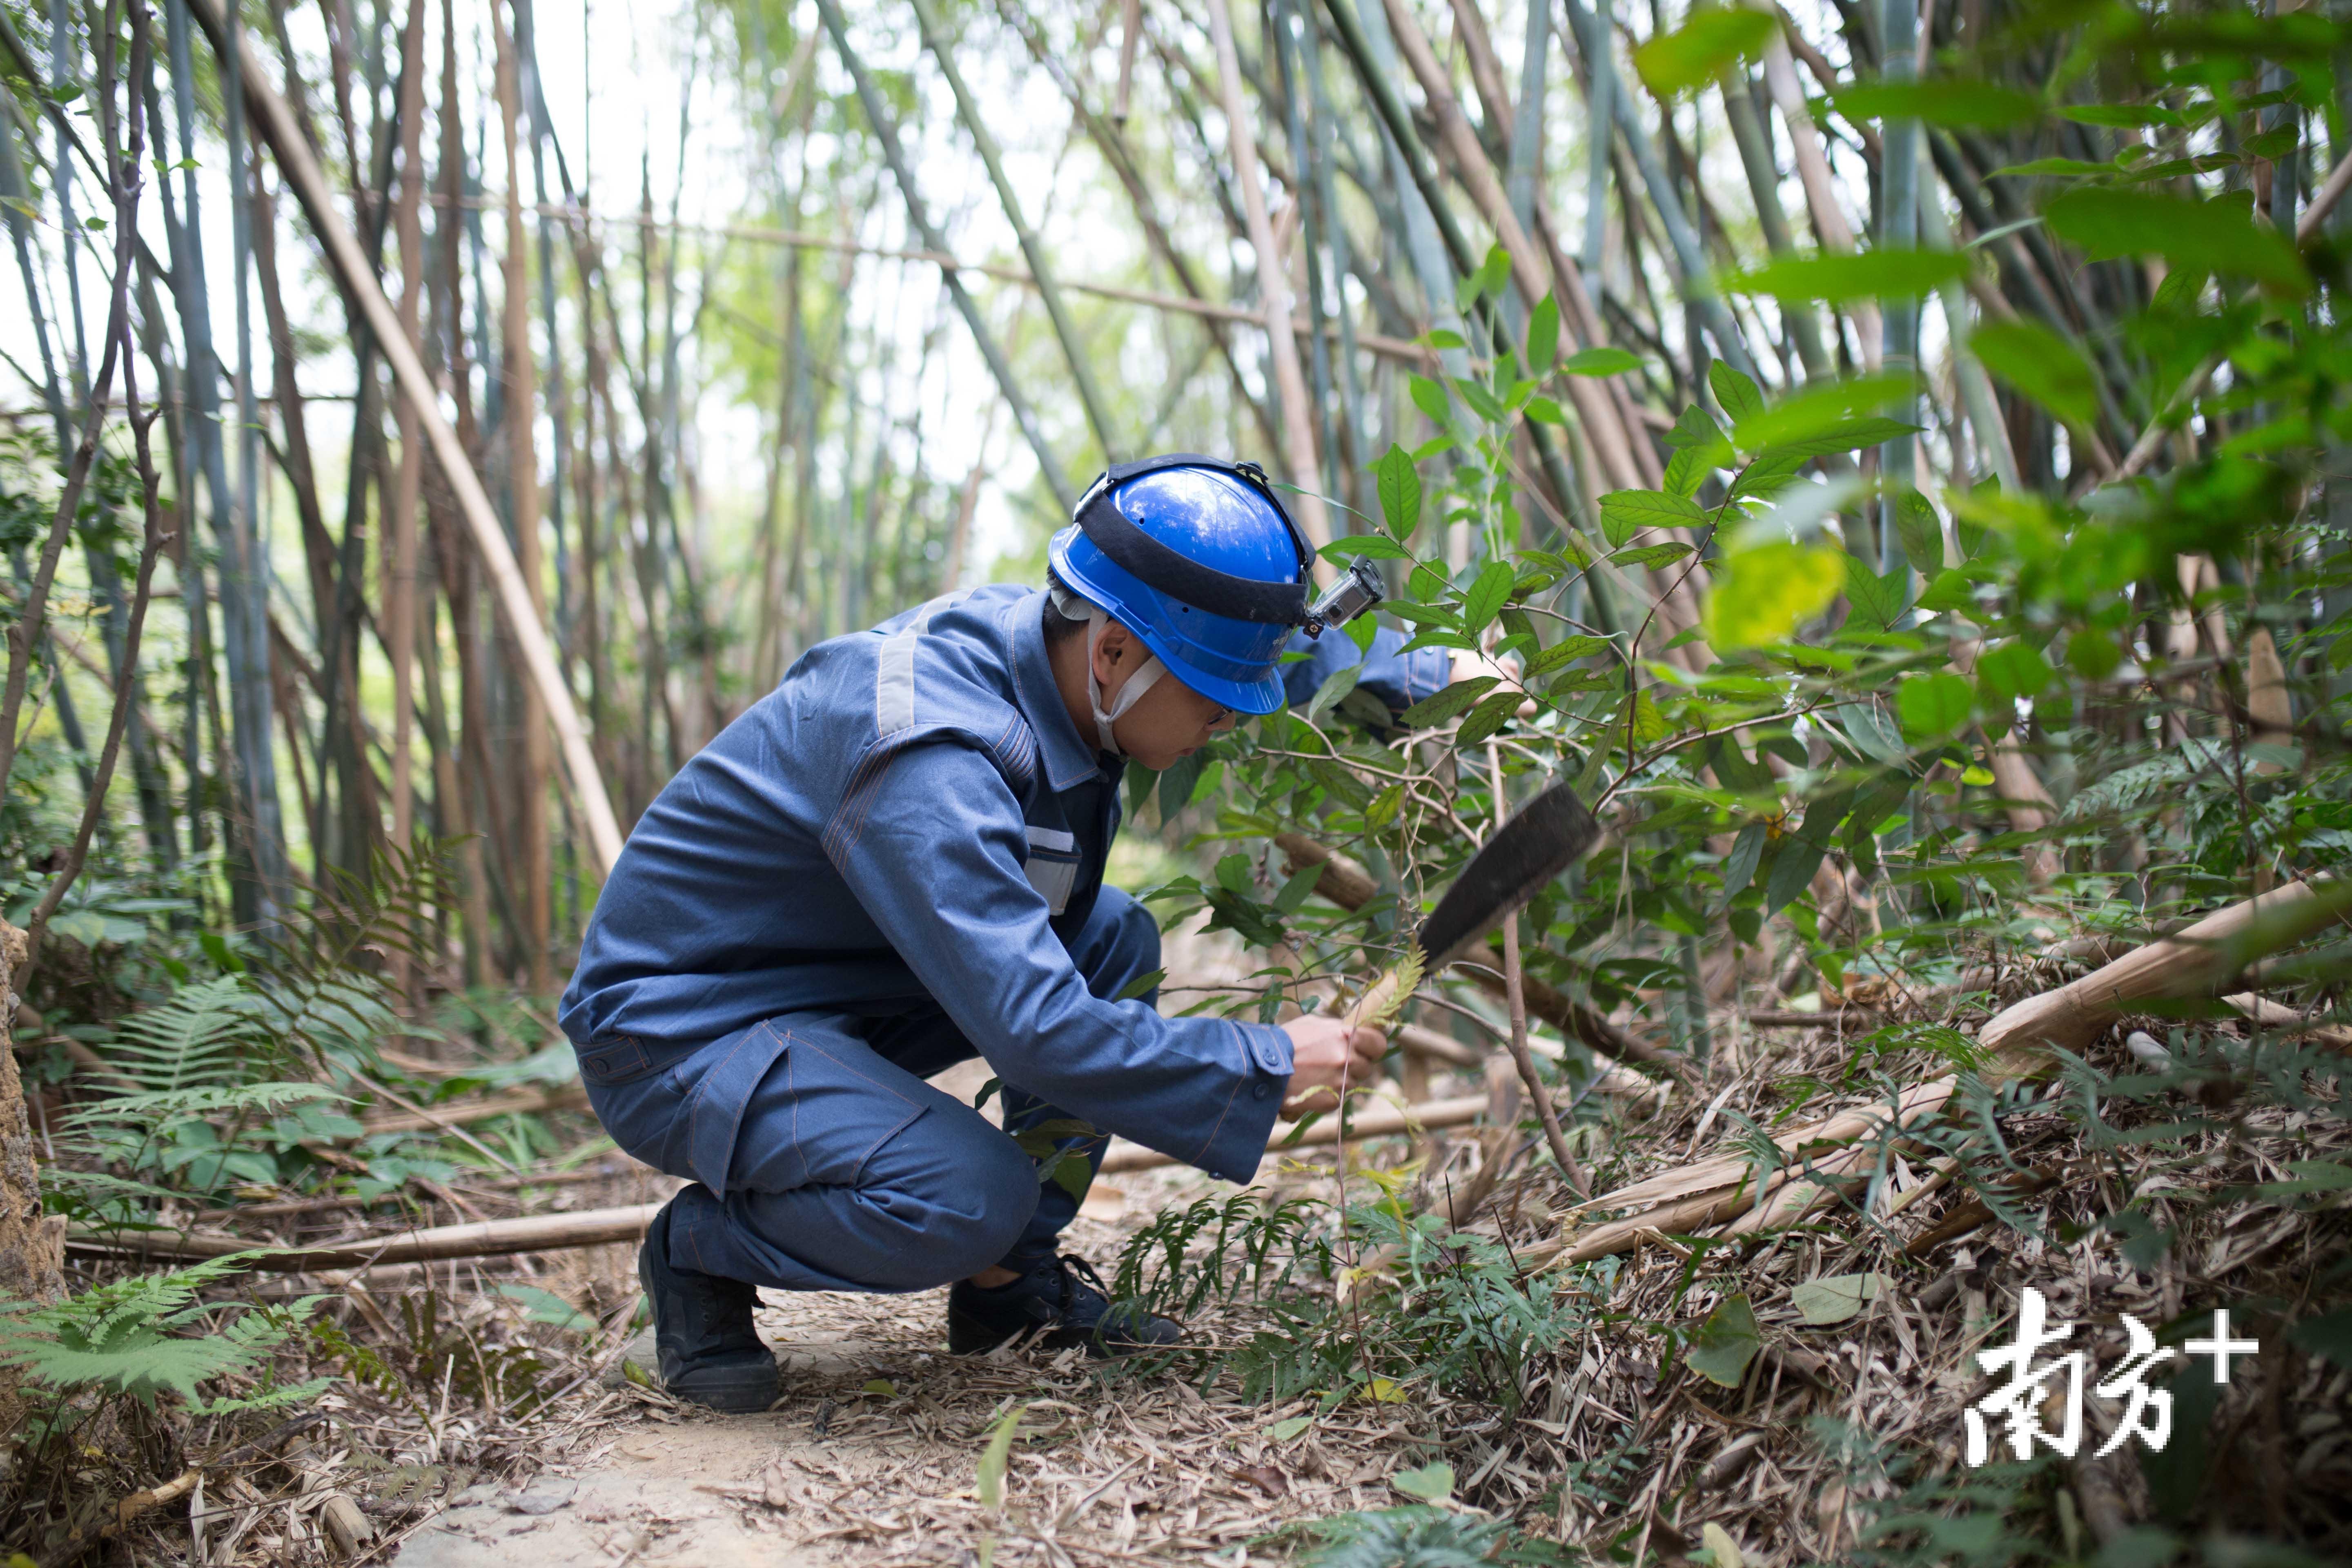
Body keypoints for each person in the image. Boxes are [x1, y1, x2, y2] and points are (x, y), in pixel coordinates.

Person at [558, 454, 1463, 1412]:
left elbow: (1255, 643)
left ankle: (1005, 1288)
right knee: (967, 1198)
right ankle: (699, 1253)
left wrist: (1432, 674)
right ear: (1113, 654)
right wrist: (1264, 1063)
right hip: (678, 1031)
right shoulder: (930, 752)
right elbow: (1035, 1030)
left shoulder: (1066, 640)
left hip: (828, 984)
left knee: (1110, 938)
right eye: (1215, 698)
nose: (1230, 722)